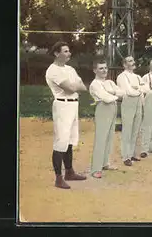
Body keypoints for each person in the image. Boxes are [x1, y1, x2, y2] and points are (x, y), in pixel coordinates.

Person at [45, 42, 87, 189]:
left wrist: (74, 86)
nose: (69, 54)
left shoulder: (70, 69)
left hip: (73, 105)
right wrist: (74, 86)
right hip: (62, 105)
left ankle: (69, 171)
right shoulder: (53, 70)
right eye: (65, 51)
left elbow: (83, 86)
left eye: (69, 51)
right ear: (57, 54)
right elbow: (69, 88)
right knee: (61, 141)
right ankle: (58, 178)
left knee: (70, 140)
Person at [89, 59, 125, 178]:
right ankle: (95, 169)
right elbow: (105, 98)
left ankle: (105, 163)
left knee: (109, 137)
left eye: (105, 68)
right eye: (101, 68)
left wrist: (112, 92)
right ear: (95, 70)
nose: (104, 70)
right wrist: (114, 94)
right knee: (101, 138)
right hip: (103, 108)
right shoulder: (94, 84)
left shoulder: (109, 82)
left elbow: (122, 93)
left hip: (113, 108)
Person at [116, 56, 147, 166]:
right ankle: (126, 156)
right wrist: (138, 89)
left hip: (138, 102)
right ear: (124, 65)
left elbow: (145, 89)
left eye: (133, 60)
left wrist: (137, 88)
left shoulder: (138, 77)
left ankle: (132, 153)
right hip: (128, 102)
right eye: (129, 61)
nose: (132, 62)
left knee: (136, 129)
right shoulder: (121, 76)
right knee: (127, 129)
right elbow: (128, 91)